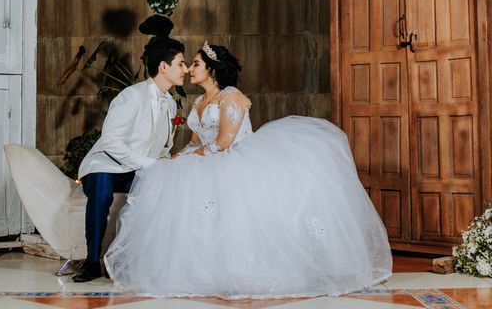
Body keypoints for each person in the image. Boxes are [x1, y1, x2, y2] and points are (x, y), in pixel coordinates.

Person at [103, 41, 392, 298]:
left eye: (196, 64)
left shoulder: (233, 97)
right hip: (204, 161)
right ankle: (198, 269)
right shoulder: (198, 101)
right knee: (173, 187)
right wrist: (179, 158)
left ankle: (245, 270)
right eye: (188, 64)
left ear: (212, 70)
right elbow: (194, 140)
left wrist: (186, 159)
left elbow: (224, 141)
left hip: (234, 162)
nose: (190, 69)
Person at [72, 37, 188, 282]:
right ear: (163, 67)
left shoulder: (170, 104)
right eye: (181, 64)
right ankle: (92, 262)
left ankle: (145, 259)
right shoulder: (131, 96)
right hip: (106, 164)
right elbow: (111, 142)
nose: (185, 70)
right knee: (102, 189)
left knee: (171, 185)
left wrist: (166, 163)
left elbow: (163, 147)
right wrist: (148, 164)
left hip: (136, 170)